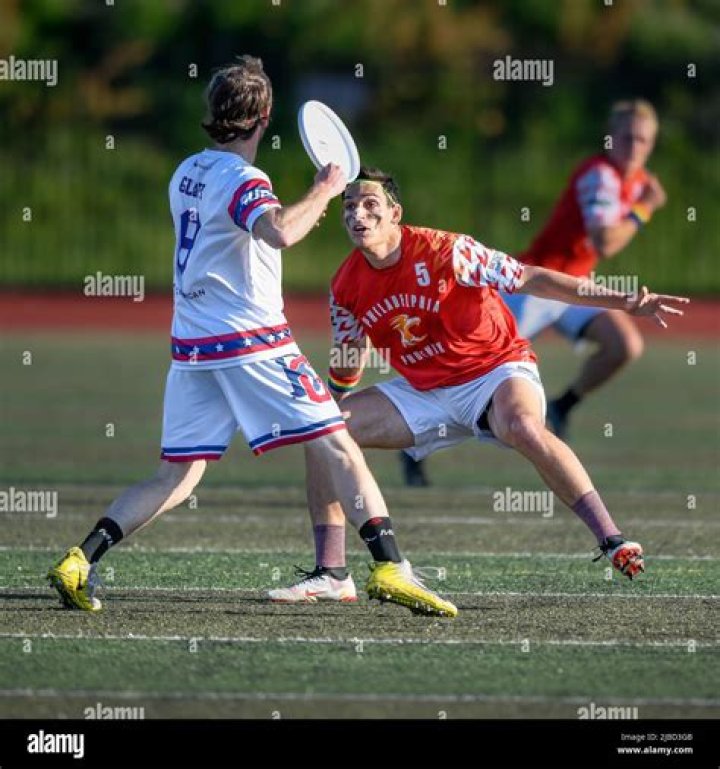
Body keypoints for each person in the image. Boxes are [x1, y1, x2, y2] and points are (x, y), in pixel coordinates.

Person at [47, 57, 457, 618]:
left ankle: (81, 559)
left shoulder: (186, 170)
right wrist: (324, 187)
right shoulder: (245, 180)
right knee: (337, 438)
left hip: (192, 347)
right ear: (264, 118)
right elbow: (281, 231)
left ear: (213, 114)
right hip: (251, 342)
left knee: (177, 475)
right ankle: (390, 566)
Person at [271, 166, 687, 599]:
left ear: (396, 213)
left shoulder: (448, 251)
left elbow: (531, 277)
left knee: (524, 427)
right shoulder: (345, 284)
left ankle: (613, 539)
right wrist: (326, 406)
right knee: (326, 433)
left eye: (370, 204)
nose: (358, 214)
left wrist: (624, 301)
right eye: (350, 206)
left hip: (494, 370)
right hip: (425, 391)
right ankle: (333, 573)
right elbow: (348, 355)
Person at [401, 99, 666, 486]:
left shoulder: (638, 180)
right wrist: (644, 210)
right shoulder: (600, 175)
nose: (634, 147)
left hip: (572, 289)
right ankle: (413, 445)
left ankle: (560, 407)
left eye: (643, 140)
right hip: (534, 287)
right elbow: (605, 240)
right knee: (471, 375)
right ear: (610, 138)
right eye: (626, 137)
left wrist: (642, 201)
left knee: (624, 344)